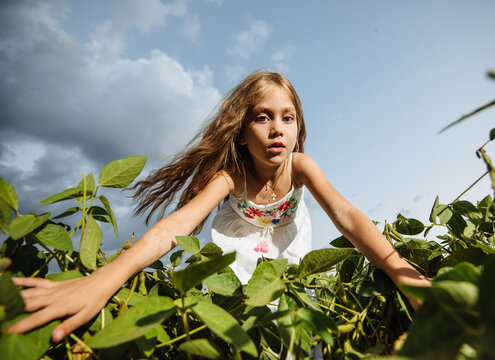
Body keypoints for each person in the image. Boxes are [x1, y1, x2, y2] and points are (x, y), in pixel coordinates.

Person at [8, 70, 430, 342]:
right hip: (237, 238)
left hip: (287, 234)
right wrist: (105, 279)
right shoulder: (230, 176)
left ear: (299, 127)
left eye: (287, 117)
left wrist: (404, 275)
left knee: (290, 316)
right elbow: (176, 226)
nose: (276, 129)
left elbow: (347, 216)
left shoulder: (301, 166)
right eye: (262, 117)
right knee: (240, 319)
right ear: (242, 131)